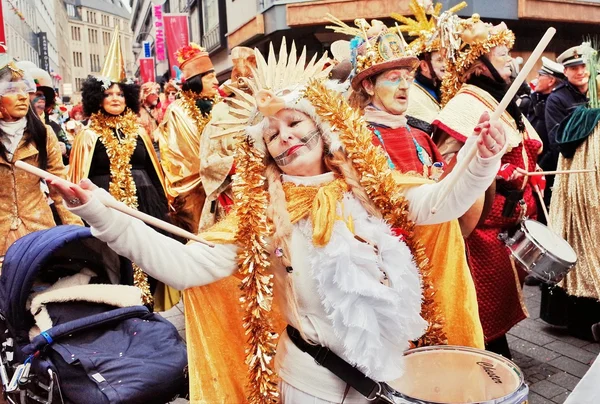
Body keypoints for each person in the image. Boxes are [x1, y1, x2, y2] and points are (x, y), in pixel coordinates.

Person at [49, 40, 507, 404]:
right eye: (271, 135)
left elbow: (440, 203)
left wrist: (480, 158)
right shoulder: (262, 215)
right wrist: (101, 212)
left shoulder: (372, 187)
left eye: (293, 123)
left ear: (323, 127)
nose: (285, 137)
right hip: (312, 382)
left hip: (391, 371)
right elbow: (184, 266)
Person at [330, 16, 484, 349]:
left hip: (442, 264)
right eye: (393, 78)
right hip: (391, 272)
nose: (404, 87)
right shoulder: (351, 141)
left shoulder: (419, 135)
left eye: (408, 78)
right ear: (368, 86)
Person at [432, 15, 543, 359]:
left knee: (501, 304)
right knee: (482, 309)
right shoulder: (466, 105)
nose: (511, 61)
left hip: (506, 228)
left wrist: (529, 172)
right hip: (480, 234)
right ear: (478, 65)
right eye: (499, 54)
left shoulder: (499, 98)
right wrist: (495, 173)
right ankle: (484, 362)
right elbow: (447, 171)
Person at [67, 29, 176, 311]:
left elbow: (153, 170)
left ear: (128, 97)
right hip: (107, 207)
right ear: (97, 99)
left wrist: (165, 203)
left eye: (120, 93)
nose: (115, 98)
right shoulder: (87, 136)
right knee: (115, 261)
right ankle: (122, 311)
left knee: (149, 256)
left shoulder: (139, 131)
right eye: (108, 93)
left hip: (145, 205)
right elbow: (79, 179)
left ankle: (148, 308)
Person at [544, 44, 600, 341]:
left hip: (596, 185)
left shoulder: (595, 93)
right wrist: (589, 117)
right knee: (576, 241)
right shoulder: (558, 99)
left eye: (583, 66)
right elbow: (557, 143)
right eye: (573, 67)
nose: (580, 71)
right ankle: (577, 319)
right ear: (564, 72)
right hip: (573, 184)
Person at [0, 61, 82, 262]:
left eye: (24, 90)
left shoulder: (43, 133)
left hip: (38, 233)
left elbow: (60, 186)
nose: (22, 97)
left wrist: (77, 232)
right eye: (11, 90)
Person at [156, 43, 220, 234]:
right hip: (194, 189)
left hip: (223, 184)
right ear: (196, 80)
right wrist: (214, 170)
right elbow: (182, 155)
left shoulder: (221, 105)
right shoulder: (178, 110)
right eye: (211, 77)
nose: (217, 81)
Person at [392, 1, 467, 128]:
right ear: (424, 66)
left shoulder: (445, 88)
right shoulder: (412, 96)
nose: (446, 64)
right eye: (439, 60)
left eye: (447, 58)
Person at [17, 61, 71, 165]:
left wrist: (65, 150)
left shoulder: (53, 127)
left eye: (42, 94)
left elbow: (69, 157)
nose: (41, 99)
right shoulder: (14, 127)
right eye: (36, 94)